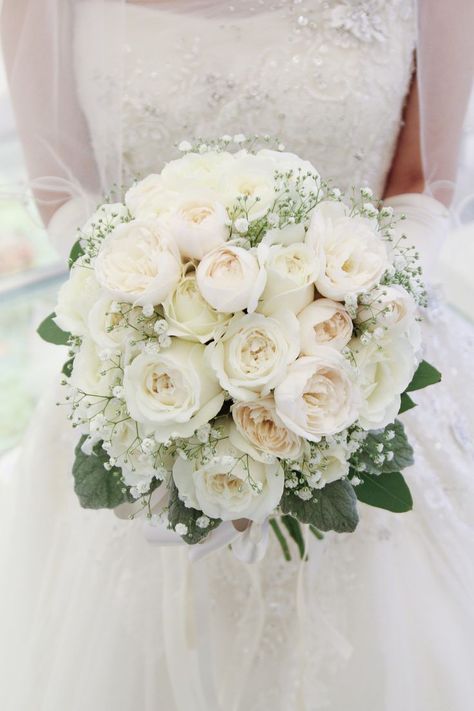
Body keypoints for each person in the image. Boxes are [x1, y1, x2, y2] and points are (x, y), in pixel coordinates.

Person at [1, 1, 473, 709]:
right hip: (143, 388)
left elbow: (421, 187)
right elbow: (66, 191)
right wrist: (151, 326)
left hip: (366, 376)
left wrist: (342, 328)